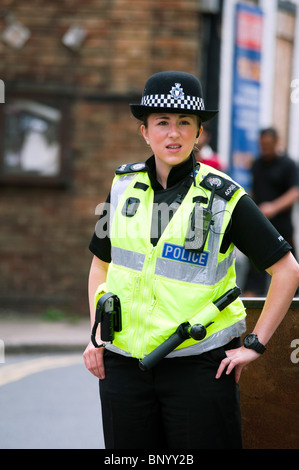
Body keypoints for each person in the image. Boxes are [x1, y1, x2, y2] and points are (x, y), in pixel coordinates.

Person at [83, 71, 299, 449]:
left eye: (185, 123)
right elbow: (101, 265)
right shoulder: (121, 188)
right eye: (163, 122)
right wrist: (97, 335)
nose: (174, 132)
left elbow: (287, 270)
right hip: (124, 369)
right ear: (145, 132)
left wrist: (255, 344)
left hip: (198, 368)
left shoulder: (224, 198)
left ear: (199, 133)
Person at [243, 127, 299, 296]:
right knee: (254, 273)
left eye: (268, 144)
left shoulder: (288, 165)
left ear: (276, 142)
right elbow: (255, 191)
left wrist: (273, 207)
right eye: (262, 145)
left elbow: (295, 192)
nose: (265, 148)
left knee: (289, 273)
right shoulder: (257, 164)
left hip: (282, 228)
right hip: (260, 228)